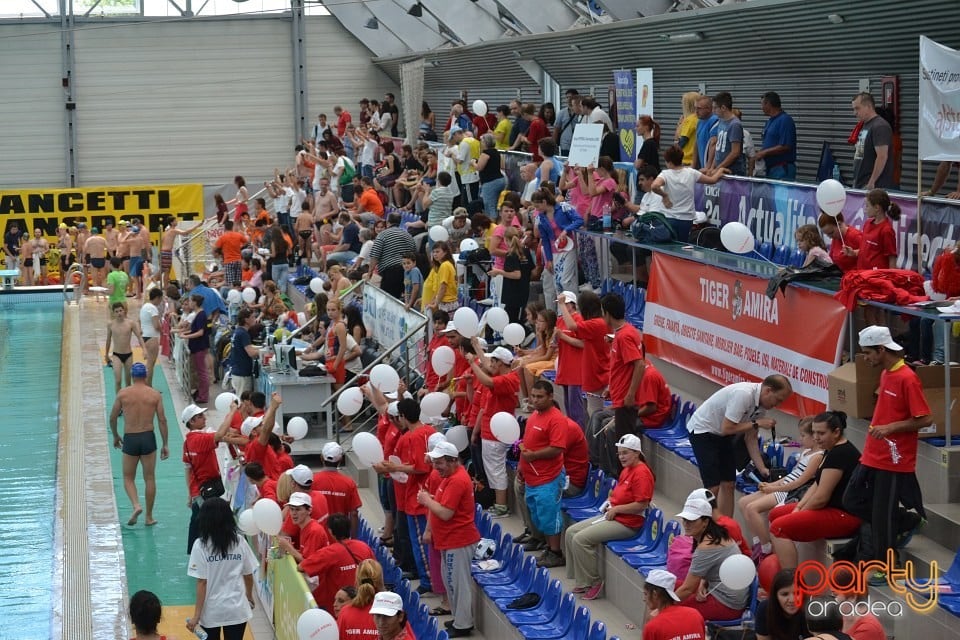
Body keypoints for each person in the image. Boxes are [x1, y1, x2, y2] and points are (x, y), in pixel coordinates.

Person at [842, 326, 930, 575]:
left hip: (893, 457)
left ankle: (889, 566)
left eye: (868, 353)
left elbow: (924, 418)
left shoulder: (907, 377)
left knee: (882, 516)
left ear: (882, 349)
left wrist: (891, 427)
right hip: (873, 453)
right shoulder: (885, 374)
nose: (865, 358)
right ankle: (903, 519)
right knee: (852, 499)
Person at [686, 375, 793, 516]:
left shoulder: (761, 407)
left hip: (722, 435)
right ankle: (706, 528)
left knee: (729, 483)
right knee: (713, 487)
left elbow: (751, 438)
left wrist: (763, 469)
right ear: (768, 391)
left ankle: (727, 529)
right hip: (703, 431)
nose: (777, 405)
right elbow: (727, 428)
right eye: (778, 400)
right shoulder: (744, 394)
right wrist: (757, 423)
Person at [565, 433, 654, 600]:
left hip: (629, 524)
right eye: (619, 453)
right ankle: (582, 580)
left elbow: (642, 504)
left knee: (580, 540)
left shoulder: (642, 473)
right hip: (615, 516)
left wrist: (617, 508)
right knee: (571, 532)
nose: (621, 457)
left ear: (636, 452)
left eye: (625, 453)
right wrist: (611, 502)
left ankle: (595, 582)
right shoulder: (627, 470)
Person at [769, 411, 862, 569]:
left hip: (844, 515)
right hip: (831, 508)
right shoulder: (830, 448)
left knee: (778, 527)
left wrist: (801, 512)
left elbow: (821, 498)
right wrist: (799, 507)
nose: (816, 437)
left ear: (836, 432)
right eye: (814, 432)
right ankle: (783, 568)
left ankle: (790, 583)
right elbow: (817, 484)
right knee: (774, 514)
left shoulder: (841, 453)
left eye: (821, 433)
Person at [418, 441, 482, 637]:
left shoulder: (457, 481)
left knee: (458, 584)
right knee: (450, 582)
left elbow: (445, 513)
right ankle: (458, 619)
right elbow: (439, 506)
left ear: (453, 461)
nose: (436, 467)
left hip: (458, 541)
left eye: (440, 463)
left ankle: (463, 625)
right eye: (435, 462)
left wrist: (426, 500)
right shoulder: (449, 477)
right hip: (449, 540)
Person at [739, 417, 823, 562]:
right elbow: (790, 476)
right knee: (743, 502)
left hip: (788, 492)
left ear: (814, 437)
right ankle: (758, 543)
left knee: (752, 508)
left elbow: (800, 482)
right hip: (782, 487)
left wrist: (774, 489)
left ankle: (766, 549)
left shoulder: (817, 457)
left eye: (803, 435)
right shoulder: (806, 453)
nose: (800, 439)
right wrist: (771, 485)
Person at [381, 398, 435, 593]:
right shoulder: (430, 431)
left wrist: (396, 467)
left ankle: (428, 581)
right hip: (424, 494)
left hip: (418, 496)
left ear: (403, 416)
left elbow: (420, 467)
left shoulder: (415, 436)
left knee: (420, 543)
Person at [186, 497, 257, 640]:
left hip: (212, 611)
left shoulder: (200, 545)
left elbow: (202, 582)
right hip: (237, 609)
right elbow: (248, 574)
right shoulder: (240, 541)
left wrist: (196, 616)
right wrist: (249, 597)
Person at [109, 361, 168, 526]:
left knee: (128, 477)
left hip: (130, 438)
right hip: (148, 437)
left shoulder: (123, 394)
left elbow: (113, 417)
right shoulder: (155, 394)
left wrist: (115, 435)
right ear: (146, 375)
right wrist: (165, 443)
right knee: (149, 478)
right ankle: (149, 517)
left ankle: (136, 505)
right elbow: (162, 420)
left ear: (132, 376)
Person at [183, 403, 247, 554]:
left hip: (199, 490)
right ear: (192, 422)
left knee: (197, 519)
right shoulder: (200, 439)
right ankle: (204, 552)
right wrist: (232, 411)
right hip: (205, 490)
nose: (204, 418)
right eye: (200, 417)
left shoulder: (188, 442)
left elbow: (188, 469)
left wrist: (190, 493)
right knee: (209, 520)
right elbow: (220, 434)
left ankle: (195, 551)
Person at [672, 497, 750, 620]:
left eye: (692, 520)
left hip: (727, 604)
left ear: (705, 522)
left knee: (670, 613)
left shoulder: (706, 547)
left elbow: (688, 589)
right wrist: (703, 583)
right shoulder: (717, 534)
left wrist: (663, 607)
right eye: (685, 519)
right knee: (658, 588)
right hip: (721, 593)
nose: (686, 524)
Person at [468, 343, 521, 518]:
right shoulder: (503, 376)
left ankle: (501, 506)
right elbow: (489, 370)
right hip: (491, 431)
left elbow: (487, 380)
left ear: (500, 363)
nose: (490, 364)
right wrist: (476, 348)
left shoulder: (507, 380)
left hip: (495, 434)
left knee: (496, 470)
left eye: (493, 362)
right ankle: (500, 505)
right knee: (493, 469)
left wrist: (473, 364)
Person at [520, 380, 568, 568]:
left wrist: (534, 456)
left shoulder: (556, 419)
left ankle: (556, 553)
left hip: (549, 477)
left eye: (540, 397)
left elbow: (557, 448)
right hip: (532, 477)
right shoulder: (534, 415)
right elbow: (528, 442)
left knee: (549, 516)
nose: (535, 400)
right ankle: (548, 548)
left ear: (550, 397)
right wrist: (522, 466)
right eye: (533, 396)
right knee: (539, 516)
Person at [300, 514, 375, 613]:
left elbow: (302, 567)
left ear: (330, 531)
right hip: (365, 605)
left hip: (338, 611)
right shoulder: (364, 547)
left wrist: (288, 548)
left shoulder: (329, 552)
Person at [651, 145, 728, 241]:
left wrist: (664, 196)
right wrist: (719, 170)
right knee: (682, 247)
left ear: (669, 162)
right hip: (686, 219)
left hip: (668, 218)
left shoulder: (665, 174)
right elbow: (712, 180)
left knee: (668, 247)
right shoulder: (692, 173)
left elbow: (654, 186)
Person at [312, 442, 363, 535]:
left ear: (321, 458)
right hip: (340, 536)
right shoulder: (349, 483)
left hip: (318, 535)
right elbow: (354, 514)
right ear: (340, 459)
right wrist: (353, 539)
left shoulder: (312, 481)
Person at [640, 569, 706, 640]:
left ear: (655, 594)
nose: (644, 599)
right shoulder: (695, 614)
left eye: (645, 594)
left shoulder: (653, 626)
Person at [365, 213, 416, 300]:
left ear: (388, 223)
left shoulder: (382, 235)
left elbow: (375, 255)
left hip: (390, 272)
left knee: (389, 300)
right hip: (406, 272)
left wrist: (369, 273)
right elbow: (413, 253)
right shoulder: (408, 235)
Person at [851, 92, 895, 190]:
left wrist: (872, 182)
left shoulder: (879, 126)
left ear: (868, 106)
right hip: (861, 183)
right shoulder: (865, 125)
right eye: (853, 109)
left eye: (857, 108)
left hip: (874, 187)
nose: (855, 113)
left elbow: (882, 156)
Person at [831, 566, 886, 640]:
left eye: (835, 595)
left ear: (853, 596)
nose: (833, 599)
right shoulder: (842, 617)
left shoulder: (868, 628)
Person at [754, 91, 798, 180]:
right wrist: (760, 152)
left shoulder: (785, 120)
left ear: (768, 104)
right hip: (771, 169)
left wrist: (764, 152)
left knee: (781, 193)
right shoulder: (770, 121)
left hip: (781, 169)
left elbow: (785, 146)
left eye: (762, 104)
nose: (761, 107)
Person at [755, 569, 809, 640]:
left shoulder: (811, 611)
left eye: (797, 593)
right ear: (775, 596)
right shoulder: (765, 609)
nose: (792, 600)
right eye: (785, 594)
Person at [105, 302, 147, 393]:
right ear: (113, 313)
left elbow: (139, 337)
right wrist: (106, 355)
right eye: (116, 311)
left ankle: (128, 403)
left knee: (128, 382)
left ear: (124, 311)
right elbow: (108, 340)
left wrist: (144, 349)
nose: (119, 313)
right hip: (116, 355)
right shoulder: (111, 325)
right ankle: (119, 402)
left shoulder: (130, 323)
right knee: (118, 380)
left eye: (120, 310)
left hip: (128, 355)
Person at [178, 294, 211, 404]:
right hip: (196, 347)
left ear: (195, 302)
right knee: (198, 371)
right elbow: (194, 329)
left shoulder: (201, 315)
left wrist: (186, 336)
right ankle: (200, 392)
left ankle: (203, 395)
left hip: (199, 347)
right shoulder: (198, 314)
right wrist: (184, 333)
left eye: (191, 301)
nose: (189, 303)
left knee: (202, 372)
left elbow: (200, 332)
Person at [707, 91, 745, 176]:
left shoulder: (734, 125)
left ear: (723, 108)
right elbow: (718, 148)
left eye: (715, 108)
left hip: (733, 172)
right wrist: (712, 168)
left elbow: (735, 152)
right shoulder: (721, 121)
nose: (713, 111)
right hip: (720, 170)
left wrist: (718, 169)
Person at [227, 307, 259, 396]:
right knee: (243, 402)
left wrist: (259, 349)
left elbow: (247, 348)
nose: (255, 319)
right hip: (242, 374)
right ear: (246, 320)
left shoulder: (237, 331)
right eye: (252, 317)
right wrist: (265, 351)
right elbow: (251, 353)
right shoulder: (244, 334)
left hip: (237, 371)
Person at [422, 241, 458, 314]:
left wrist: (436, 304)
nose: (435, 254)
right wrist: (432, 301)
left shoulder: (444, 266)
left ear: (445, 252)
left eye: (437, 252)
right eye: (433, 252)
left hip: (447, 303)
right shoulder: (447, 264)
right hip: (448, 302)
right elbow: (439, 288)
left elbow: (443, 287)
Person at [139, 287, 163, 386]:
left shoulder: (145, 306)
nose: (160, 302)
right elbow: (156, 325)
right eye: (160, 299)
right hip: (152, 337)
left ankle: (146, 385)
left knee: (149, 364)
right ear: (157, 298)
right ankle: (148, 386)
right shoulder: (153, 308)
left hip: (145, 335)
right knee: (150, 364)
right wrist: (163, 331)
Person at [694, 95, 719, 170]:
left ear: (708, 109)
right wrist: (693, 166)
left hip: (711, 169)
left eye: (699, 108)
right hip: (703, 167)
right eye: (695, 108)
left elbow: (714, 145)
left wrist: (708, 167)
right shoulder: (699, 121)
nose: (696, 111)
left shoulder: (715, 121)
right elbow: (696, 144)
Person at [554, 89, 581, 156]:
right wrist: (553, 144)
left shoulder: (581, 112)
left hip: (578, 144)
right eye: (567, 97)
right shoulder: (562, 113)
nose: (568, 99)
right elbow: (556, 129)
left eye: (570, 97)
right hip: (565, 145)